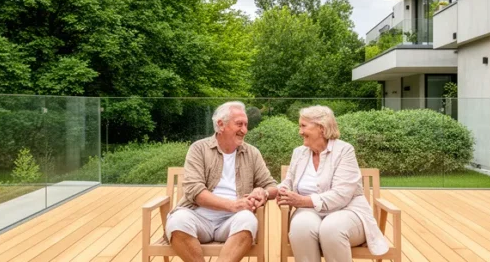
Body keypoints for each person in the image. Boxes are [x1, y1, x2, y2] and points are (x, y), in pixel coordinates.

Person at [165, 101, 280, 262]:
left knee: (248, 220)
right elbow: (195, 192)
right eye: (239, 124)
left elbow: (272, 186)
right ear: (221, 124)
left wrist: (264, 192)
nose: (244, 130)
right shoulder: (199, 149)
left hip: (232, 220)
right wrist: (233, 205)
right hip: (198, 216)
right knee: (177, 221)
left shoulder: (252, 153)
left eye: (246, 125)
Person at [277, 105, 388, 262]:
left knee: (331, 228)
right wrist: (278, 191)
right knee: (300, 227)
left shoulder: (344, 151)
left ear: (321, 128)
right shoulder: (299, 153)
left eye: (303, 126)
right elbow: (287, 182)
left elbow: (341, 195)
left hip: (348, 211)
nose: (300, 131)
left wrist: (302, 201)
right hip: (309, 212)